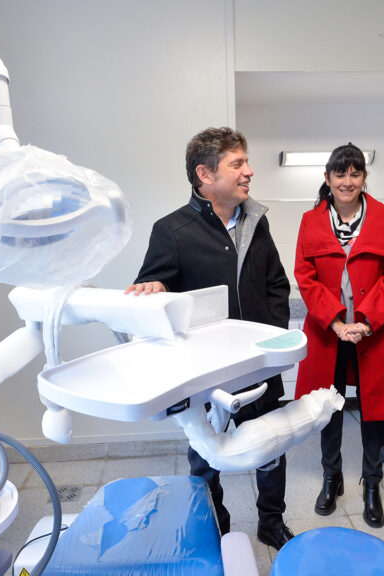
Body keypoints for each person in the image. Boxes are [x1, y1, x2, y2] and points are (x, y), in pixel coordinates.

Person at [126, 127, 294, 550]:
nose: (249, 171)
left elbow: (277, 285)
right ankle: (214, 528)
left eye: (246, 162)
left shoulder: (256, 221)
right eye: (237, 164)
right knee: (204, 459)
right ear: (205, 174)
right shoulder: (172, 231)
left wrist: (273, 342)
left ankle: (272, 523)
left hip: (257, 366)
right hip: (205, 376)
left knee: (270, 447)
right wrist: (155, 291)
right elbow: (151, 291)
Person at [293, 143, 384, 528]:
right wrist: (335, 322)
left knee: (375, 409)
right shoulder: (311, 221)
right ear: (327, 179)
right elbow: (305, 277)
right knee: (329, 407)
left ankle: (372, 481)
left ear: (364, 177)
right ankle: (332, 476)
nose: (347, 181)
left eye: (355, 173)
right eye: (340, 173)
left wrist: (366, 321)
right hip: (328, 334)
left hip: (371, 333)